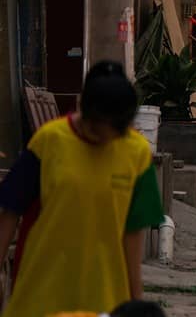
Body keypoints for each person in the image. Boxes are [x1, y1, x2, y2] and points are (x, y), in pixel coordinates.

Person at [0, 60, 165, 316]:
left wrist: (135, 299)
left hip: (105, 296)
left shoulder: (137, 153)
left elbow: (134, 232)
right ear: (83, 110)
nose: (104, 141)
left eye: (113, 135)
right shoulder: (49, 140)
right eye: (97, 132)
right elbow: (10, 210)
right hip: (41, 291)